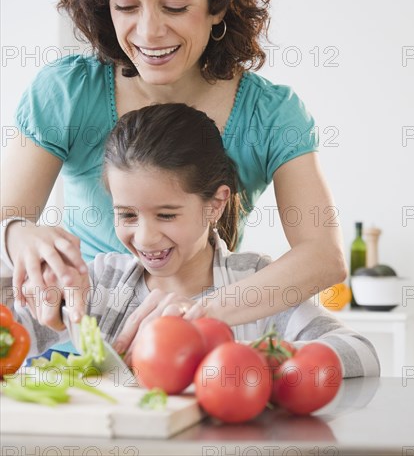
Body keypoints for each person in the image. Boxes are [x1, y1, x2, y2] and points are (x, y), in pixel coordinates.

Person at [0, 0, 345, 354]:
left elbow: (323, 256)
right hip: (81, 341)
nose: (148, 31)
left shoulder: (271, 115)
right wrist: (13, 233)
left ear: (219, 5)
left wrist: (194, 314)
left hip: (184, 343)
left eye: (176, 6)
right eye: (127, 6)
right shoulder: (67, 92)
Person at [2, 103, 380, 378]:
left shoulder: (256, 281)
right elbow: (12, 335)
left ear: (215, 204)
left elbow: (360, 354)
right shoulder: (99, 283)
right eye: (128, 215)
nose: (146, 237)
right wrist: (17, 242)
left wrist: (238, 361)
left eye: (166, 214)